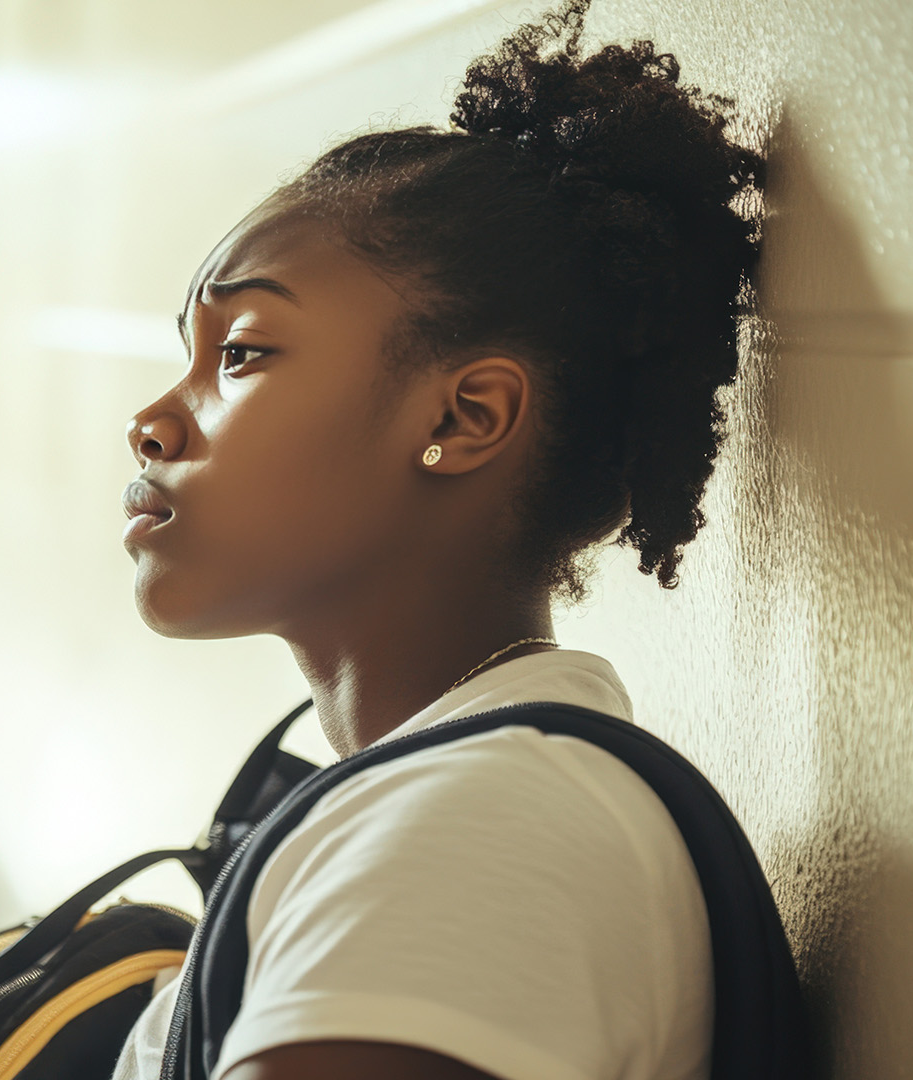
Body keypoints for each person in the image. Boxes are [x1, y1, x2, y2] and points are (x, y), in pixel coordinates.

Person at [112, 2, 766, 1078]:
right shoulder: (433, 794)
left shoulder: (476, 834)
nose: (152, 421)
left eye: (243, 353)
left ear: (465, 420)